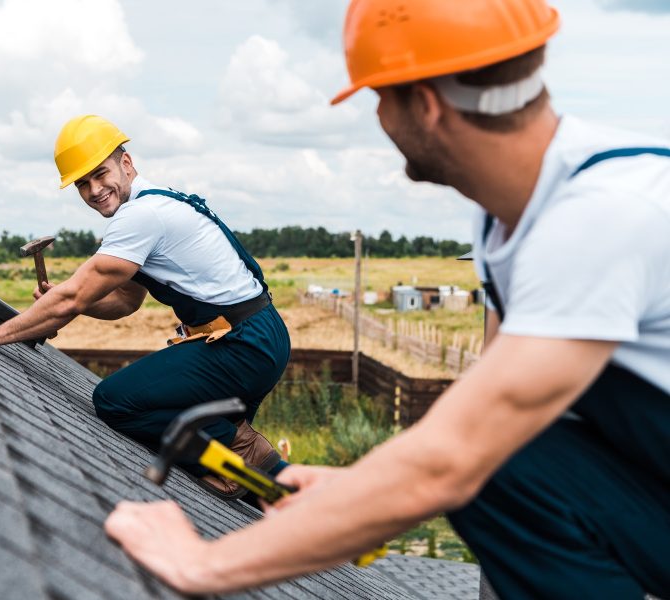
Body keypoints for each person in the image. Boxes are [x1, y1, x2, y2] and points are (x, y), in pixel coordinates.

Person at [103, 1, 670, 598]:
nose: (378, 117)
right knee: (505, 465)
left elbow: (456, 456)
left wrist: (203, 565)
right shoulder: (510, 218)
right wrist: (357, 491)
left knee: (494, 464)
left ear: (424, 104)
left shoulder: (599, 218)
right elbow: (482, 413)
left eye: (379, 97)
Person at [0, 115, 292, 496]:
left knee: (117, 401)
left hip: (241, 345)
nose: (94, 189)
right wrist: (71, 302)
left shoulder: (140, 217)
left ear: (127, 163)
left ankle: (241, 449)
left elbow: (74, 296)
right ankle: (293, 502)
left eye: (100, 174)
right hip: (258, 337)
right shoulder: (152, 205)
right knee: (247, 471)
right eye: (82, 184)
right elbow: (124, 301)